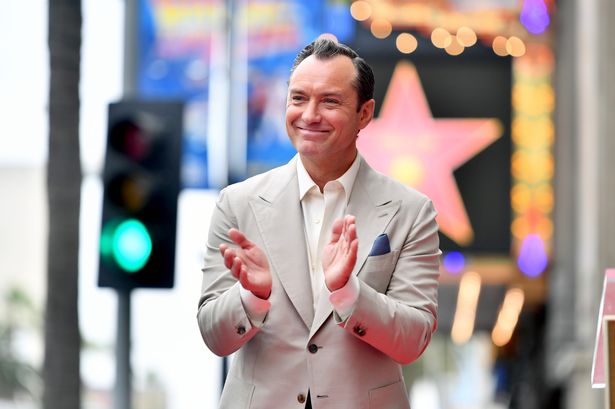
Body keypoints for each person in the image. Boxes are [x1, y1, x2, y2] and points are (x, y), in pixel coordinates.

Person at [197, 37, 441, 409]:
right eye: (298, 98)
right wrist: (252, 297)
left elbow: (414, 339)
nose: (309, 115)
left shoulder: (412, 210)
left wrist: (349, 292)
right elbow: (214, 335)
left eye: (330, 101)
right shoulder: (238, 203)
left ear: (364, 113)